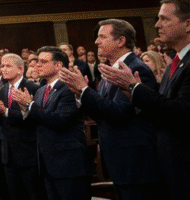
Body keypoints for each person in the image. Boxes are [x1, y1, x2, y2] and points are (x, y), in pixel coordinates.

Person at [57, 19, 160, 200]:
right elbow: (103, 114)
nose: (96, 42)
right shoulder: (112, 68)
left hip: (135, 162)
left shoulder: (135, 68)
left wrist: (85, 90)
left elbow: (118, 113)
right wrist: (80, 94)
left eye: (102, 37)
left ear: (121, 41)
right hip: (120, 161)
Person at [100, 0, 190, 200]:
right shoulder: (176, 64)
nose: (157, 25)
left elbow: (182, 111)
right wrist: (133, 94)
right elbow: (162, 115)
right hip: (171, 165)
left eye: (164, 18)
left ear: (187, 24)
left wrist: (135, 88)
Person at [14, 46, 90, 200]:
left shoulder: (69, 88)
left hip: (68, 163)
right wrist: (25, 109)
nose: (37, 65)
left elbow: (58, 120)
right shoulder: (41, 90)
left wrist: (30, 105)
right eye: (38, 61)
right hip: (47, 163)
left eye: (43, 61)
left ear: (58, 65)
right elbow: (38, 120)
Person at [0, 53, 42, 200]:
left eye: (8, 66)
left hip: (28, 151)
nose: (3, 69)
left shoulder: (33, 88)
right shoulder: (1, 90)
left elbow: (33, 119)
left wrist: (5, 111)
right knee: (14, 194)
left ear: (20, 69)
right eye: (2, 66)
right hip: (8, 152)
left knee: (33, 193)